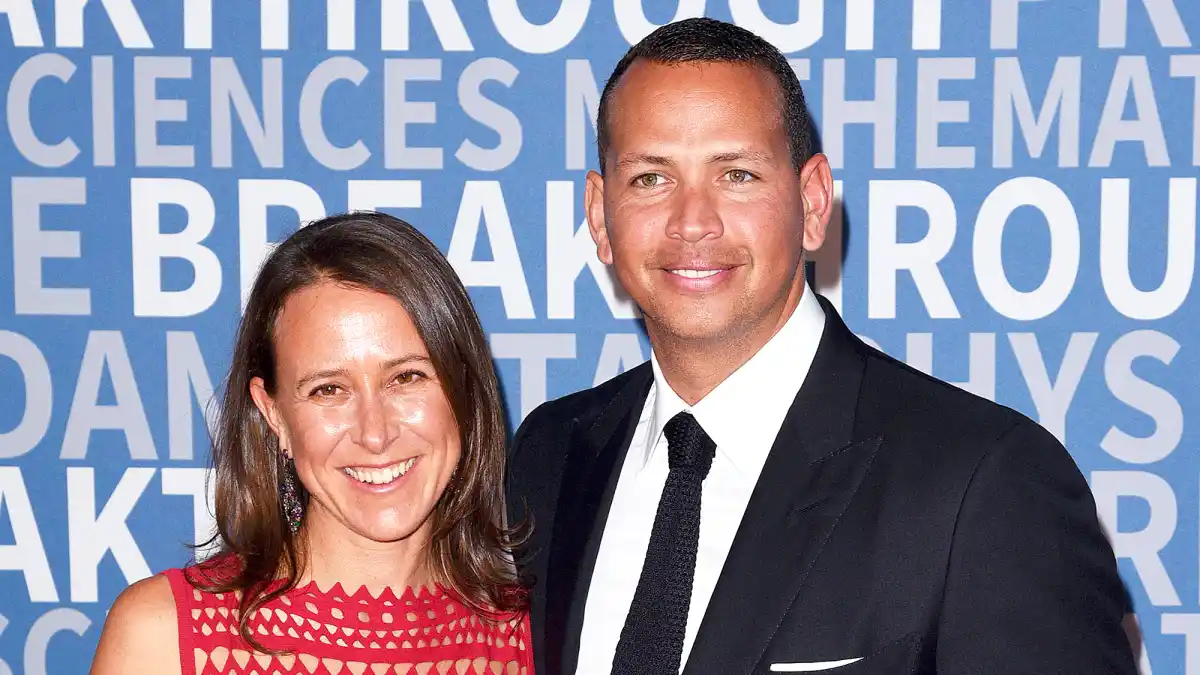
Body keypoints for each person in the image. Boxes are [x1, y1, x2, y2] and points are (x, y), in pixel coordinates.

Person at [505, 17, 1136, 675]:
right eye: (651, 179)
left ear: (811, 203)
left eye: (737, 174)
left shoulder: (984, 483)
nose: (693, 221)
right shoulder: (550, 456)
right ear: (599, 216)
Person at [91, 212, 534, 674]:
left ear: (463, 392)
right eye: (329, 389)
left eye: (407, 377)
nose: (375, 433)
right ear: (274, 414)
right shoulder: (163, 637)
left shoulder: (528, 640)